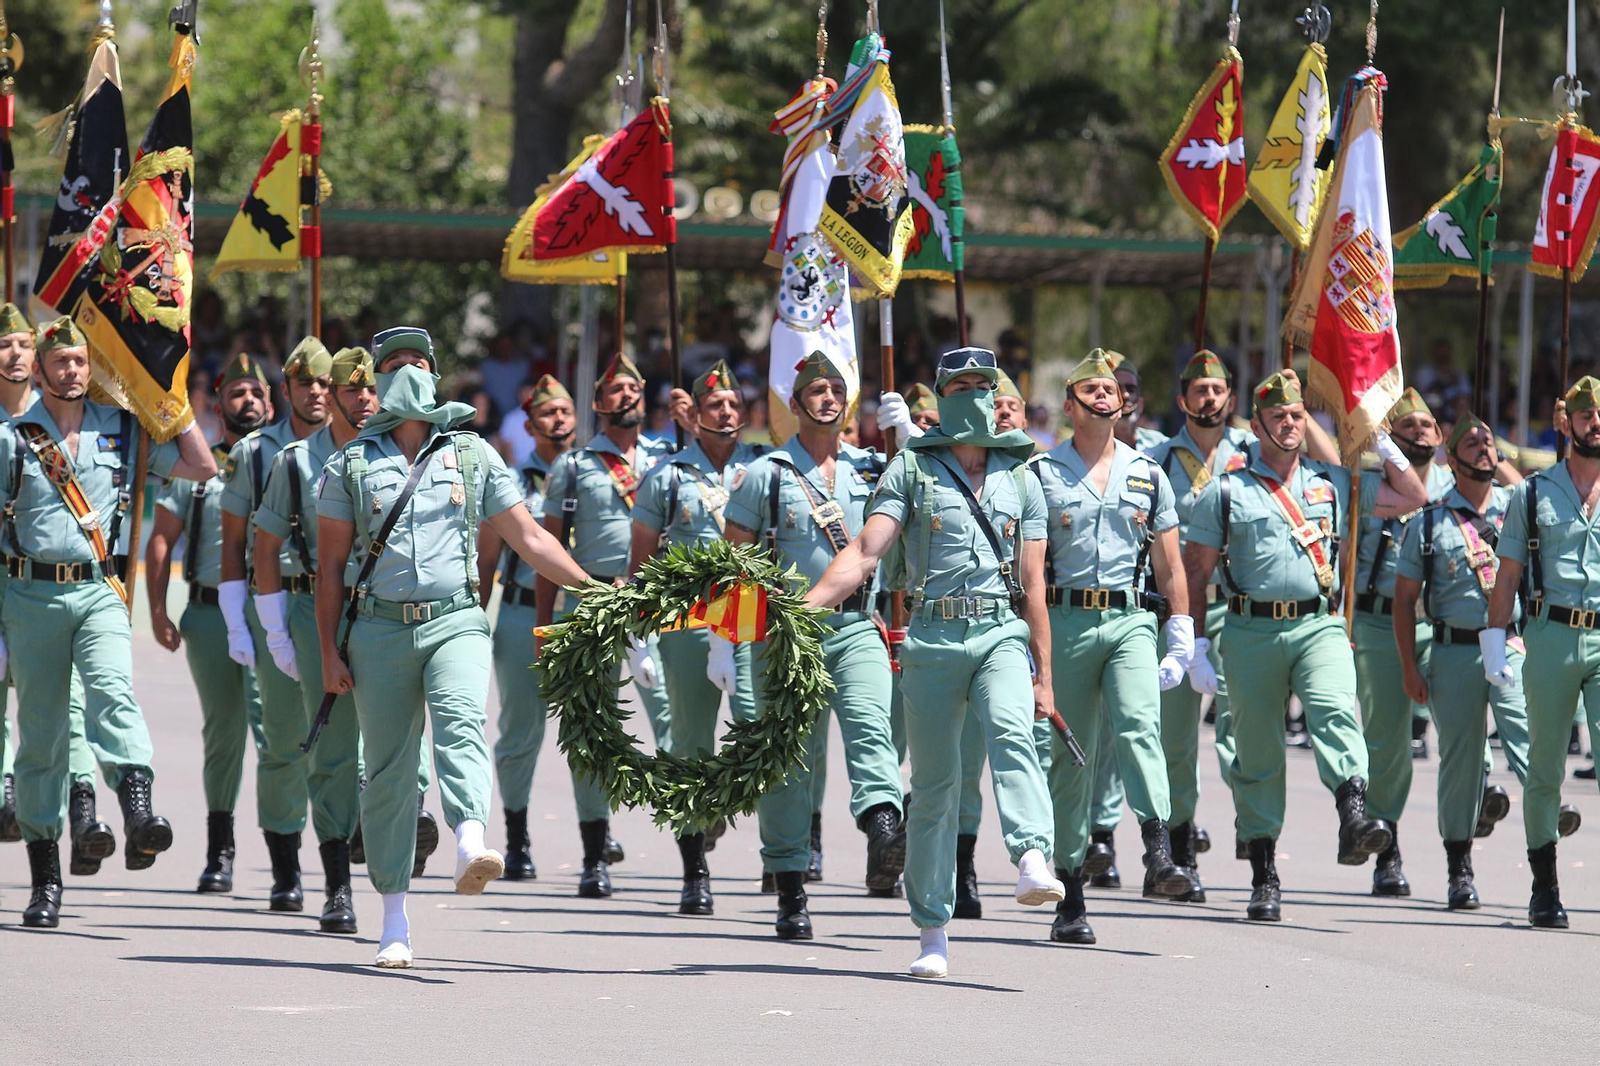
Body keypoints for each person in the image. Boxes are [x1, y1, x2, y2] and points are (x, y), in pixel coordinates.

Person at [316, 325, 590, 968]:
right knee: (386, 772)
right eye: (395, 364)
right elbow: (330, 567)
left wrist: (595, 589)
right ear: (377, 381)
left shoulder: (472, 454)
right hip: (379, 629)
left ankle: (471, 838)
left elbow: (530, 538)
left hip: (456, 618)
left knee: (461, 721)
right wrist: (329, 652)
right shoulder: (350, 462)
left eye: (418, 362)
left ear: (436, 374)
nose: (407, 371)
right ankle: (392, 919)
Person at [805, 346, 1064, 979]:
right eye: (960, 385)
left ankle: (1033, 856)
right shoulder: (910, 471)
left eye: (985, 384)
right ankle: (932, 932)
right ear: (943, 397)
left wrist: (1045, 679)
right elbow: (867, 553)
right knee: (935, 790)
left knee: (1012, 733)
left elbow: (1033, 585)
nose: (973, 394)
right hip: (930, 637)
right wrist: (802, 607)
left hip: (998, 631)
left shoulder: (1022, 476)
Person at [1182, 371, 1427, 921]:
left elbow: (1413, 493)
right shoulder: (1226, 491)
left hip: (1319, 624)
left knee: (1337, 710)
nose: (1290, 424)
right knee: (1258, 753)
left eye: (1298, 416)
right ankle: (1264, 873)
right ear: (1259, 424)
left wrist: (1376, 432)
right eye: (1279, 417)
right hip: (1250, 630)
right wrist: (1195, 643)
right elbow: (1197, 574)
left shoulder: (1335, 481)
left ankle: (1354, 813)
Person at [1, 316, 218, 927]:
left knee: (112, 697)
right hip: (29, 595)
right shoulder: (12, 440)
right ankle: (46, 880)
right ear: (39, 373)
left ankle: (138, 811)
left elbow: (201, 467)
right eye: (61, 362)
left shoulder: (126, 429)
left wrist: (171, 405)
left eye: (79, 360)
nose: (72, 370)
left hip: (100, 590)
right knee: (41, 739)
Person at [724, 351, 907, 938]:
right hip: (786, 634)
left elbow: (923, 507)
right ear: (795, 402)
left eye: (837, 389)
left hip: (857, 626)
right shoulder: (766, 473)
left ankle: (882, 824)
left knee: (871, 724)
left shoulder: (876, 470)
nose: (829, 397)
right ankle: (789, 883)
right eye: (817, 389)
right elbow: (734, 566)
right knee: (789, 764)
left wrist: (907, 443)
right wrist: (728, 643)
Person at [1028, 350, 1193, 945]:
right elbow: (1031, 569)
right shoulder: (1042, 475)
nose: (1104, 394)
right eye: (1089, 388)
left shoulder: (1148, 473)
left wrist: (1181, 631)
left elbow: (1170, 563)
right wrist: (1031, 649)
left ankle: (1157, 846)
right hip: (1065, 623)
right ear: (1070, 404)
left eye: (1111, 388)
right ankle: (1071, 893)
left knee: (1139, 725)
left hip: (1128, 620)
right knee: (1071, 761)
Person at [249, 345, 383, 934]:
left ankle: (402, 824)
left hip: (384, 609)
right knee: (328, 747)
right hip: (313, 609)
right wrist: (273, 624)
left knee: (394, 734)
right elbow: (265, 543)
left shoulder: (396, 455)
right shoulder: (297, 460)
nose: (360, 399)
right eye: (349, 389)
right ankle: (337, 887)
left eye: (368, 390)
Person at [627, 360, 768, 915]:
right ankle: (695, 872)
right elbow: (641, 561)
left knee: (760, 732)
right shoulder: (667, 476)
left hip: (748, 617)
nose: (727, 413)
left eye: (734, 405)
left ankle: (773, 850)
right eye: (717, 405)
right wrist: (638, 634)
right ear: (697, 416)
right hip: (688, 624)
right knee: (690, 743)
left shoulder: (764, 467)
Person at [478, 374, 623, 894]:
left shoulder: (594, 473)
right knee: (521, 731)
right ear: (530, 422)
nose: (558, 421)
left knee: (590, 729)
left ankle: (595, 850)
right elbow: (488, 558)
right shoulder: (511, 483)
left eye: (565, 411)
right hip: (522, 613)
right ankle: (517, 842)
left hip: (585, 612)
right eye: (548, 414)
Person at [218, 336, 345, 912]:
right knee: (284, 742)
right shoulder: (256, 452)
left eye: (325, 383)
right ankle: (284, 868)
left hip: (342, 602)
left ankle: (340, 870)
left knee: (344, 744)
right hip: (282, 603)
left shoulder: (355, 446)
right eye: (304, 384)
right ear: (284, 392)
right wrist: (242, 624)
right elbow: (238, 541)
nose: (316, 393)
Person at [1391, 414, 1536, 909]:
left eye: (1488, 442)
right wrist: (1411, 666)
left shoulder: (1517, 511)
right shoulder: (1430, 522)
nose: (1482, 448)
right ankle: (1459, 866)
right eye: (1471, 444)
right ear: (1449, 461)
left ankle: (1546, 809)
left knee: (1525, 729)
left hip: (1510, 643)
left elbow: (1545, 494)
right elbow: (1405, 600)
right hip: (1453, 650)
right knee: (1459, 760)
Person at [145, 353, 272, 894]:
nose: (248, 401)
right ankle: (220, 851)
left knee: (276, 732)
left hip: (273, 612)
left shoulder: (285, 463)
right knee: (224, 734)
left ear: (272, 404)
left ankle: (282, 855)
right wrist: (156, 610)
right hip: (209, 612)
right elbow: (160, 541)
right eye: (237, 392)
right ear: (218, 406)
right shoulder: (199, 471)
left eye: (256, 393)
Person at [1485, 376, 1600, 929]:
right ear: (1568, 423)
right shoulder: (1530, 493)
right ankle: (1545, 885)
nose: (1596, 423)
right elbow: (1507, 574)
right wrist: (1493, 640)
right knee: (1545, 768)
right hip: (1550, 636)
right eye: (1587, 415)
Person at [0, 306, 112, 874]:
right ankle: (9, 795)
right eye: (7, 345)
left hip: (75, 590)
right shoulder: (8, 437)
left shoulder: (94, 424)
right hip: (17, 595)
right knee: (31, 722)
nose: (15, 355)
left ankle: (84, 814)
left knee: (80, 703)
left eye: (24, 344)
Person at [1146, 350, 1252, 900]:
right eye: (1199, 389)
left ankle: (1252, 823)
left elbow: (1326, 460)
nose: (1209, 398)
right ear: (1182, 399)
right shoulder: (1157, 459)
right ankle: (1177, 850)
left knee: (1245, 732)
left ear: (1231, 398)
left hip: (1239, 611)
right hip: (1179, 613)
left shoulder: (1256, 453)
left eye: (1218, 389)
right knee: (1177, 742)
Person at [538, 352, 673, 778]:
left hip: (660, 600)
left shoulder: (672, 456)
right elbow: (550, 548)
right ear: (598, 402)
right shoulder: (573, 466)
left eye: (635, 389)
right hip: (593, 599)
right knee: (592, 722)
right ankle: (597, 839)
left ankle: (691, 818)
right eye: (618, 389)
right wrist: (545, 625)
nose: (629, 395)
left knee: (671, 713)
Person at [1349, 389, 1463, 895]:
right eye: (1407, 425)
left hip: (1441, 623)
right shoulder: (1376, 483)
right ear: (1390, 438)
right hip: (1377, 623)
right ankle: (1386, 850)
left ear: (1441, 438)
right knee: (1389, 741)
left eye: (1427, 425)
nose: (1419, 431)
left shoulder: (1460, 486)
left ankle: (1468, 830)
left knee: (1464, 734)